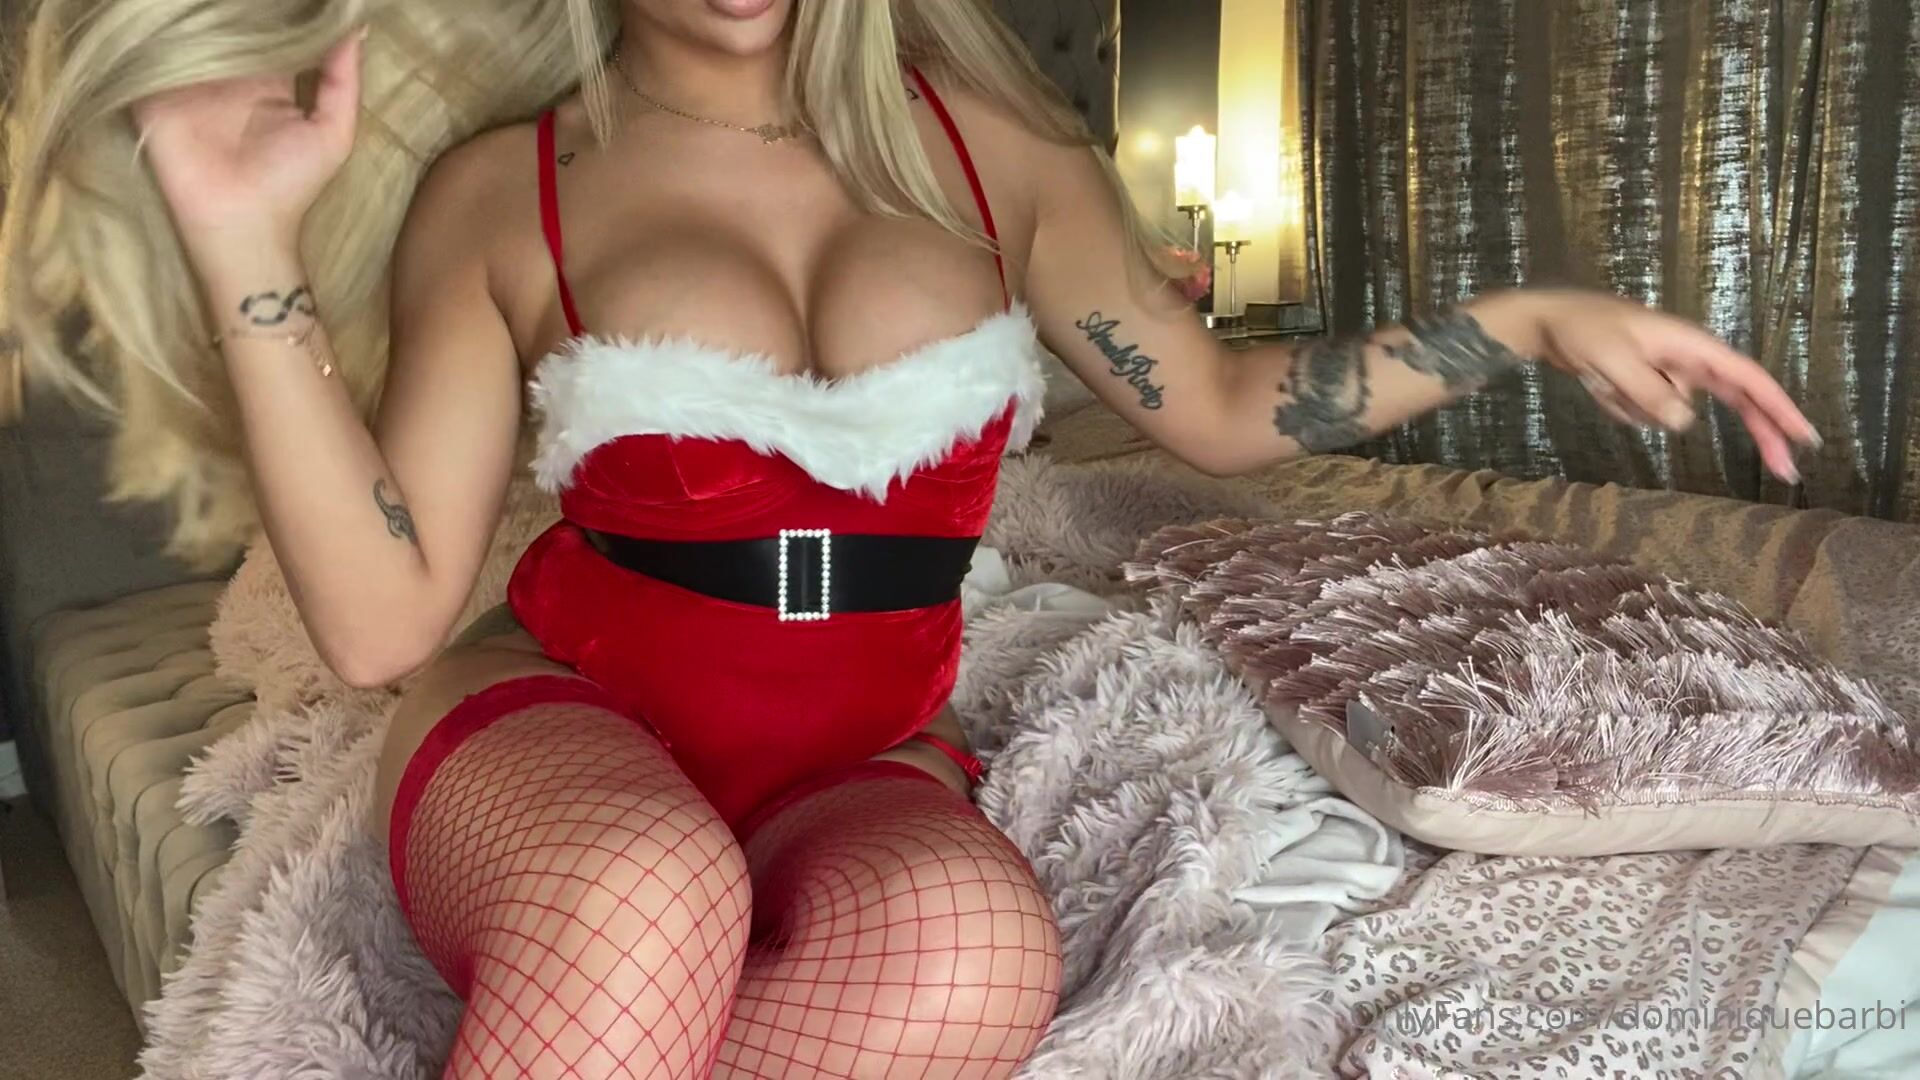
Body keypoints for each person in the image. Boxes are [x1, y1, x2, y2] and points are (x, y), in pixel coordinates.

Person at [2, 0, 1818, 1076]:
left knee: (972, 949)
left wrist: (1520, 326)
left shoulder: (994, 152)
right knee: (643, 896)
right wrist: (239, 237)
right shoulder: (510, 186)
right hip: (560, 724)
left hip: (860, 754)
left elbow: (1216, 405)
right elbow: (382, 617)